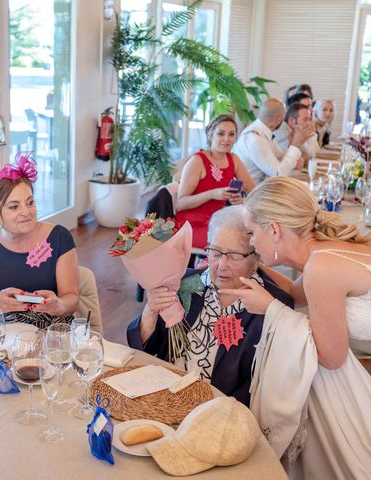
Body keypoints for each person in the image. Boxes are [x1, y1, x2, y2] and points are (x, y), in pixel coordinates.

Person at [222, 177, 371, 477]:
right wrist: (245, 264)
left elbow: (332, 357)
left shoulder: (322, 267)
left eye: (252, 233)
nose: (251, 243)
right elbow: (296, 293)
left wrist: (270, 308)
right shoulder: (324, 252)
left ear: (274, 230)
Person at [127, 206, 292, 406]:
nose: (222, 265)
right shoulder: (181, 283)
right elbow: (145, 347)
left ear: (256, 257)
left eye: (234, 256)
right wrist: (150, 311)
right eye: (215, 252)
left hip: (223, 413)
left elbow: (263, 385)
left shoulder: (273, 307)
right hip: (164, 399)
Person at [0, 153, 79, 328]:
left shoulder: (59, 238)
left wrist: (59, 305)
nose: (26, 212)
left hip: (53, 335)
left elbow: (72, 298)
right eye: (14, 207)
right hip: (5, 336)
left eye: (30, 202)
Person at [175, 114, 255, 249]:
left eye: (231, 134)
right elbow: (180, 204)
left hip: (218, 223)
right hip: (193, 225)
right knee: (238, 244)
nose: (226, 139)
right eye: (221, 134)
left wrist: (242, 201)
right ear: (211, 135)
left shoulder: (233, 159)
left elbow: (252, 189)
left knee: (254, 239)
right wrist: (212, 194)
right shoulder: (197, 161)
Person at [237, 98, 314, 184]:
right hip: (252, 194)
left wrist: (293, 145)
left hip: (264, 189)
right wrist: (296, 145)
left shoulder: (265, 133)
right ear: (278, 119)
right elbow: (278, 174)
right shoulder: (256, 139)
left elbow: (297, 164)